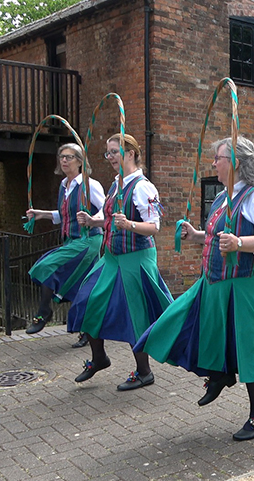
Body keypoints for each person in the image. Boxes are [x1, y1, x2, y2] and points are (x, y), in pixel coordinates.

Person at [136, 136, 254, 441]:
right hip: (217, 280)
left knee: (251, 347)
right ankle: (221, 374)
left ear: (235, 163)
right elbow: (220, 237)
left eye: (218, 158)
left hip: (252, 283)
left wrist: (241, 243)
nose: (213, 163)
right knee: (191, 325)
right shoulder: (225, 196)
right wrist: (197, 236)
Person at [67, 133, 173, 391]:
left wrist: (129, 224)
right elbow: (107, 215)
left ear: (132, 154)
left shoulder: (143, 186)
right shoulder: (116, 184)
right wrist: (93, 221)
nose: (111, 157)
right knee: (86, 300)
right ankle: (99, 358)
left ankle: (144, 372)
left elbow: (154, 226)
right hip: (112, 257)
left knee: (134, 315)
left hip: (136, 258)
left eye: (115, 152)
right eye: (108, 153)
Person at [23, 143, 105, 349]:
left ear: (80, 161)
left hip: (88, 240)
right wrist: (41, 214)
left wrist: (92, 219)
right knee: (84, 288)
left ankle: (44, 312)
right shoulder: (64, 186)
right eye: (62, 156)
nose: (64, 160)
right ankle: (89, 332)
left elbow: (106, 211)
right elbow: (64, 215)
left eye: (69, 157)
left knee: (45, 266)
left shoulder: (89, 185)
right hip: (71, 240)